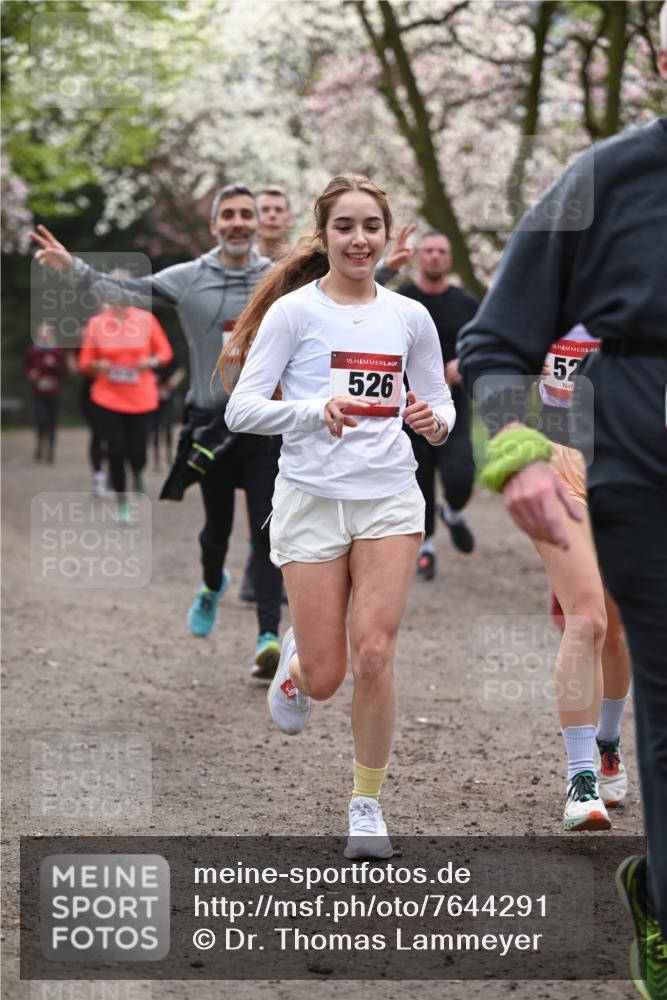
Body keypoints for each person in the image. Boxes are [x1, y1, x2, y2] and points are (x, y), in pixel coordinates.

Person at [457, 26, 667, 993]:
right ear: (661, 61)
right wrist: (517, 451)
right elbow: (496, 339)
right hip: (636, 471)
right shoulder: (602, 178)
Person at [221, 174, 455, 858]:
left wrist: (432, 422)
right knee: (326, 678)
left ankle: (366, 804)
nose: (359, 240)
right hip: (311, 500)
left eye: (371, 227)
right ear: (323, 236)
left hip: (389, 498)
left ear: (385, 235)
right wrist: (309, 409)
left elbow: (440, 404)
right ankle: (297, 665)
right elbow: (241, 409)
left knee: (374, 653)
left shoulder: (409, 316)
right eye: (345, 227)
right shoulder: (293, 313)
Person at [30, 183, 285, 677]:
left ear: (257, 223)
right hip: (210, 426)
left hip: (263, 426)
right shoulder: (190, 277)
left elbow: (338, 288)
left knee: (267, 530)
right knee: (215, 532)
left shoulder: (278, 277)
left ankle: (267, 638)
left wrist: (387, 268)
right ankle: (211, 584)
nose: (237, 223)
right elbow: (125, 292)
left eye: (245, 214)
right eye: (228, 215)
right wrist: (74, 268)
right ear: (214, 225)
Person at [535, 325, 632, 831]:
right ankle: (581, 777)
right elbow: (496, 356)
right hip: (558, 467)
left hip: (630, 469)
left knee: (615, 631)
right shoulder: (543, 295)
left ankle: (608, 740)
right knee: (587, 619)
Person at [379, 231, 479, 578]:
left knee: (461, 477)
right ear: (419, 256)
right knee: (418, 478)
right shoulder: (400, 301)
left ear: (449, 259)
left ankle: (451, 511)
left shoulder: (467, 304)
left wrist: (465, 363)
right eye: (429, 250)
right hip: (408, 406)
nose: (435, 256)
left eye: (441, 251)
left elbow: (484, 343)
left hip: (453, 404)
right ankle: (427, 547)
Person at [79, 295, 173, 521]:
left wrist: (150, 362)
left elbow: (165, 353)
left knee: (138, 451)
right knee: (116, 449)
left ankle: (138, 471)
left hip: (141, 397)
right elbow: (85, 362)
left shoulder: (146, 320)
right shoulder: (97, 323)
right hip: (107, 397)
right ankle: (122, 502)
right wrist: (97, 365)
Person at [23, 322, 66, 463]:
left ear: (51, 334)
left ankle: (51, 451)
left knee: (52, 422)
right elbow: (26, 369)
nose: (44, 335)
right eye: (42, 333)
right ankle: (40, 444)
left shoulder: (58, 351)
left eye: (47, 333)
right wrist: (31, 374)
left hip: (54, 392)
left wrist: (54, 365)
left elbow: (63, 372)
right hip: (38, 392)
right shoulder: (32, 351)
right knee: (41, 420)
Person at [151, 359, 186, 470]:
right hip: (154, 398)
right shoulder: (151, 357)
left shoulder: (170, 357)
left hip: (168, 397)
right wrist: (151, 380)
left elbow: (181, 369)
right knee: (156, 429)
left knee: (168, 427)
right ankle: (156, 458)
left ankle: (169, 456)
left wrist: (174, 380)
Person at [256, 186, 293, 261]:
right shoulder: (241, 261)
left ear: (289, 219)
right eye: (265, 210)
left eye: (278, 210)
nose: (272, 215)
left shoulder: (303, 262)